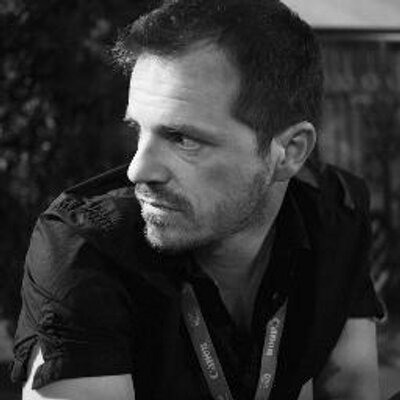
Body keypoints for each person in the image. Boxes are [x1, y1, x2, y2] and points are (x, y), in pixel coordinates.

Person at [12, 0, 384, 399]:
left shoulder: (335, 217)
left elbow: (352, 387)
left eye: (182, 139)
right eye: (139, 130)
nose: (138, 170)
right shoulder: (86, 248)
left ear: (290, 151)